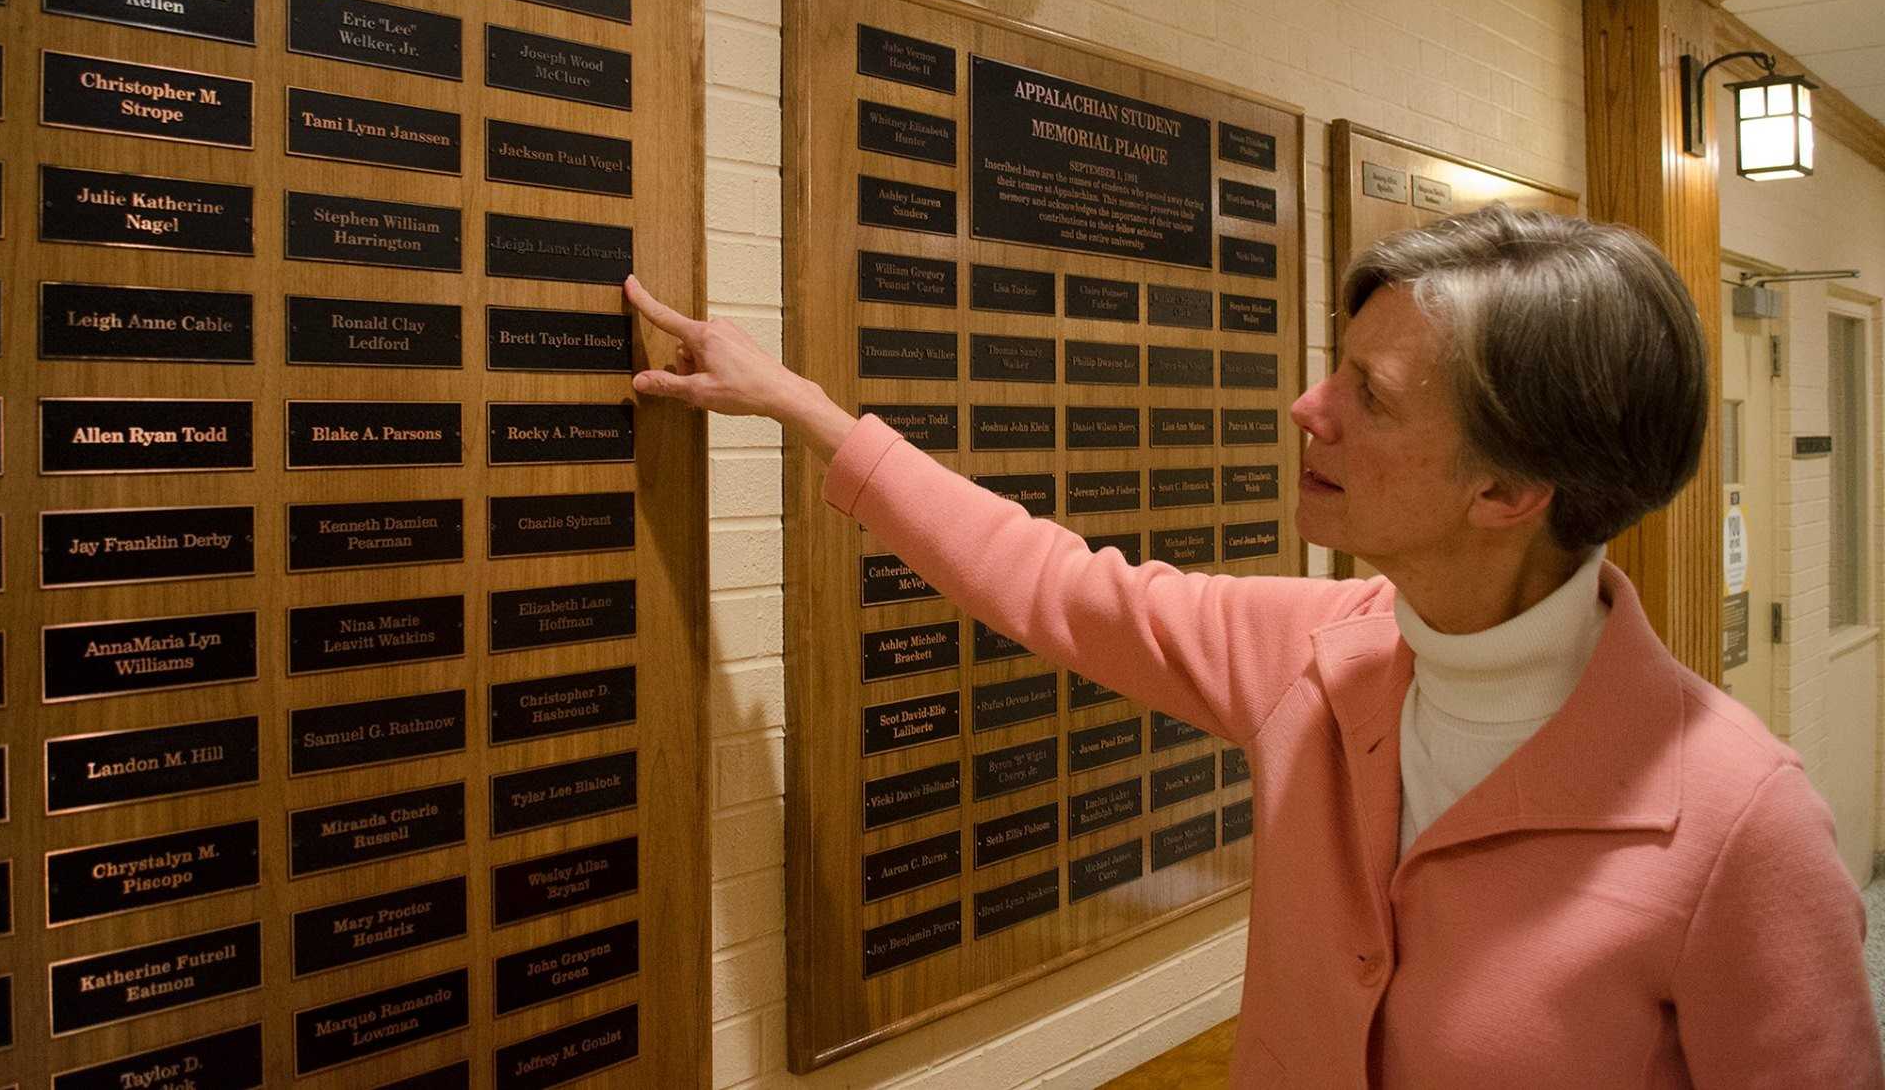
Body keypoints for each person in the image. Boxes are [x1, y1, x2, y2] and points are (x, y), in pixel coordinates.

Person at [622, 203, 1885, 1088]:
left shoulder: (1735, 827)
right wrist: (802, 409)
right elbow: (1051, 584)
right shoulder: (1315, 654)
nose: (1306, 409)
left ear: (1506, 492)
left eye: (1367, 396)